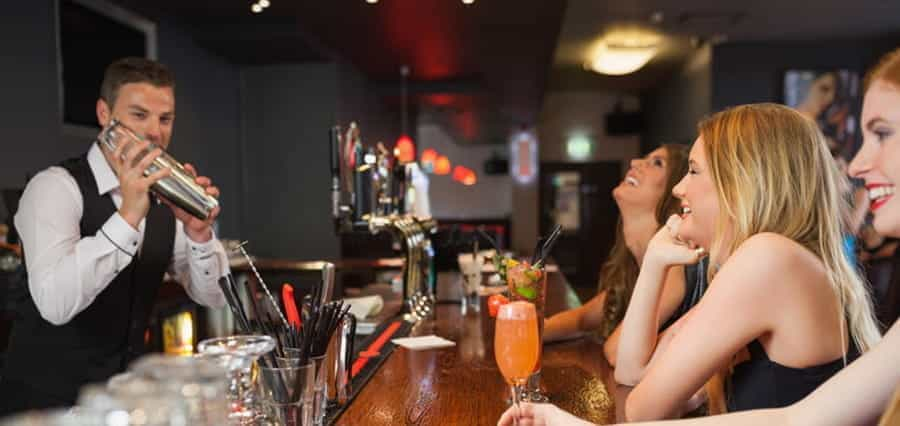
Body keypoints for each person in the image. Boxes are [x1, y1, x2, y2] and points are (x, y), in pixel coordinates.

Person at [498, 46, 900, 426]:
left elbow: (643, 408)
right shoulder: (778, 260)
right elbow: (634, 371)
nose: (679, 189)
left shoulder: (770, 257)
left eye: (692, 171)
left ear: (741, 183)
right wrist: (655, 260)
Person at [0, 57, 228, 415]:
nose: (155, 131)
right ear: (105, 114)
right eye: (139, 115)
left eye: (165, 118)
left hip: (123, 408)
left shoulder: (165, 197)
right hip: (45, 410)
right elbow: (54, 304)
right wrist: (128, 216)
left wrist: (199, 234)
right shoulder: (54, 188)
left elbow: (214, 296)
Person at [543, 145, 707, 367]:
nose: (635, 163)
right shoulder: (631, 266)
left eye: (657, 163)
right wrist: (523, 330)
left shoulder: (674, 265)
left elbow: (617, 352)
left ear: (676, 193)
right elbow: (582, 319)